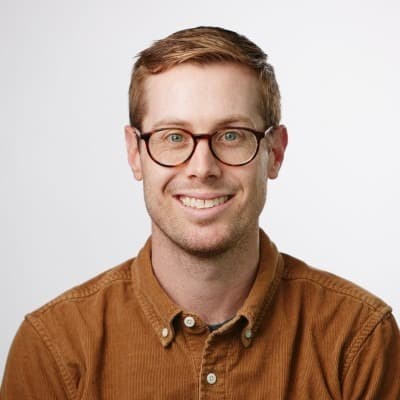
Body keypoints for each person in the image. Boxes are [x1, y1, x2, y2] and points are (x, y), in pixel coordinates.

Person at [1, 26, 399, 399]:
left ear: (275, 153)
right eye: (173, 136)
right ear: (135, 153)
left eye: (231, 135)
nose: (202, 167)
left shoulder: (358, 338)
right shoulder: (55, 348)